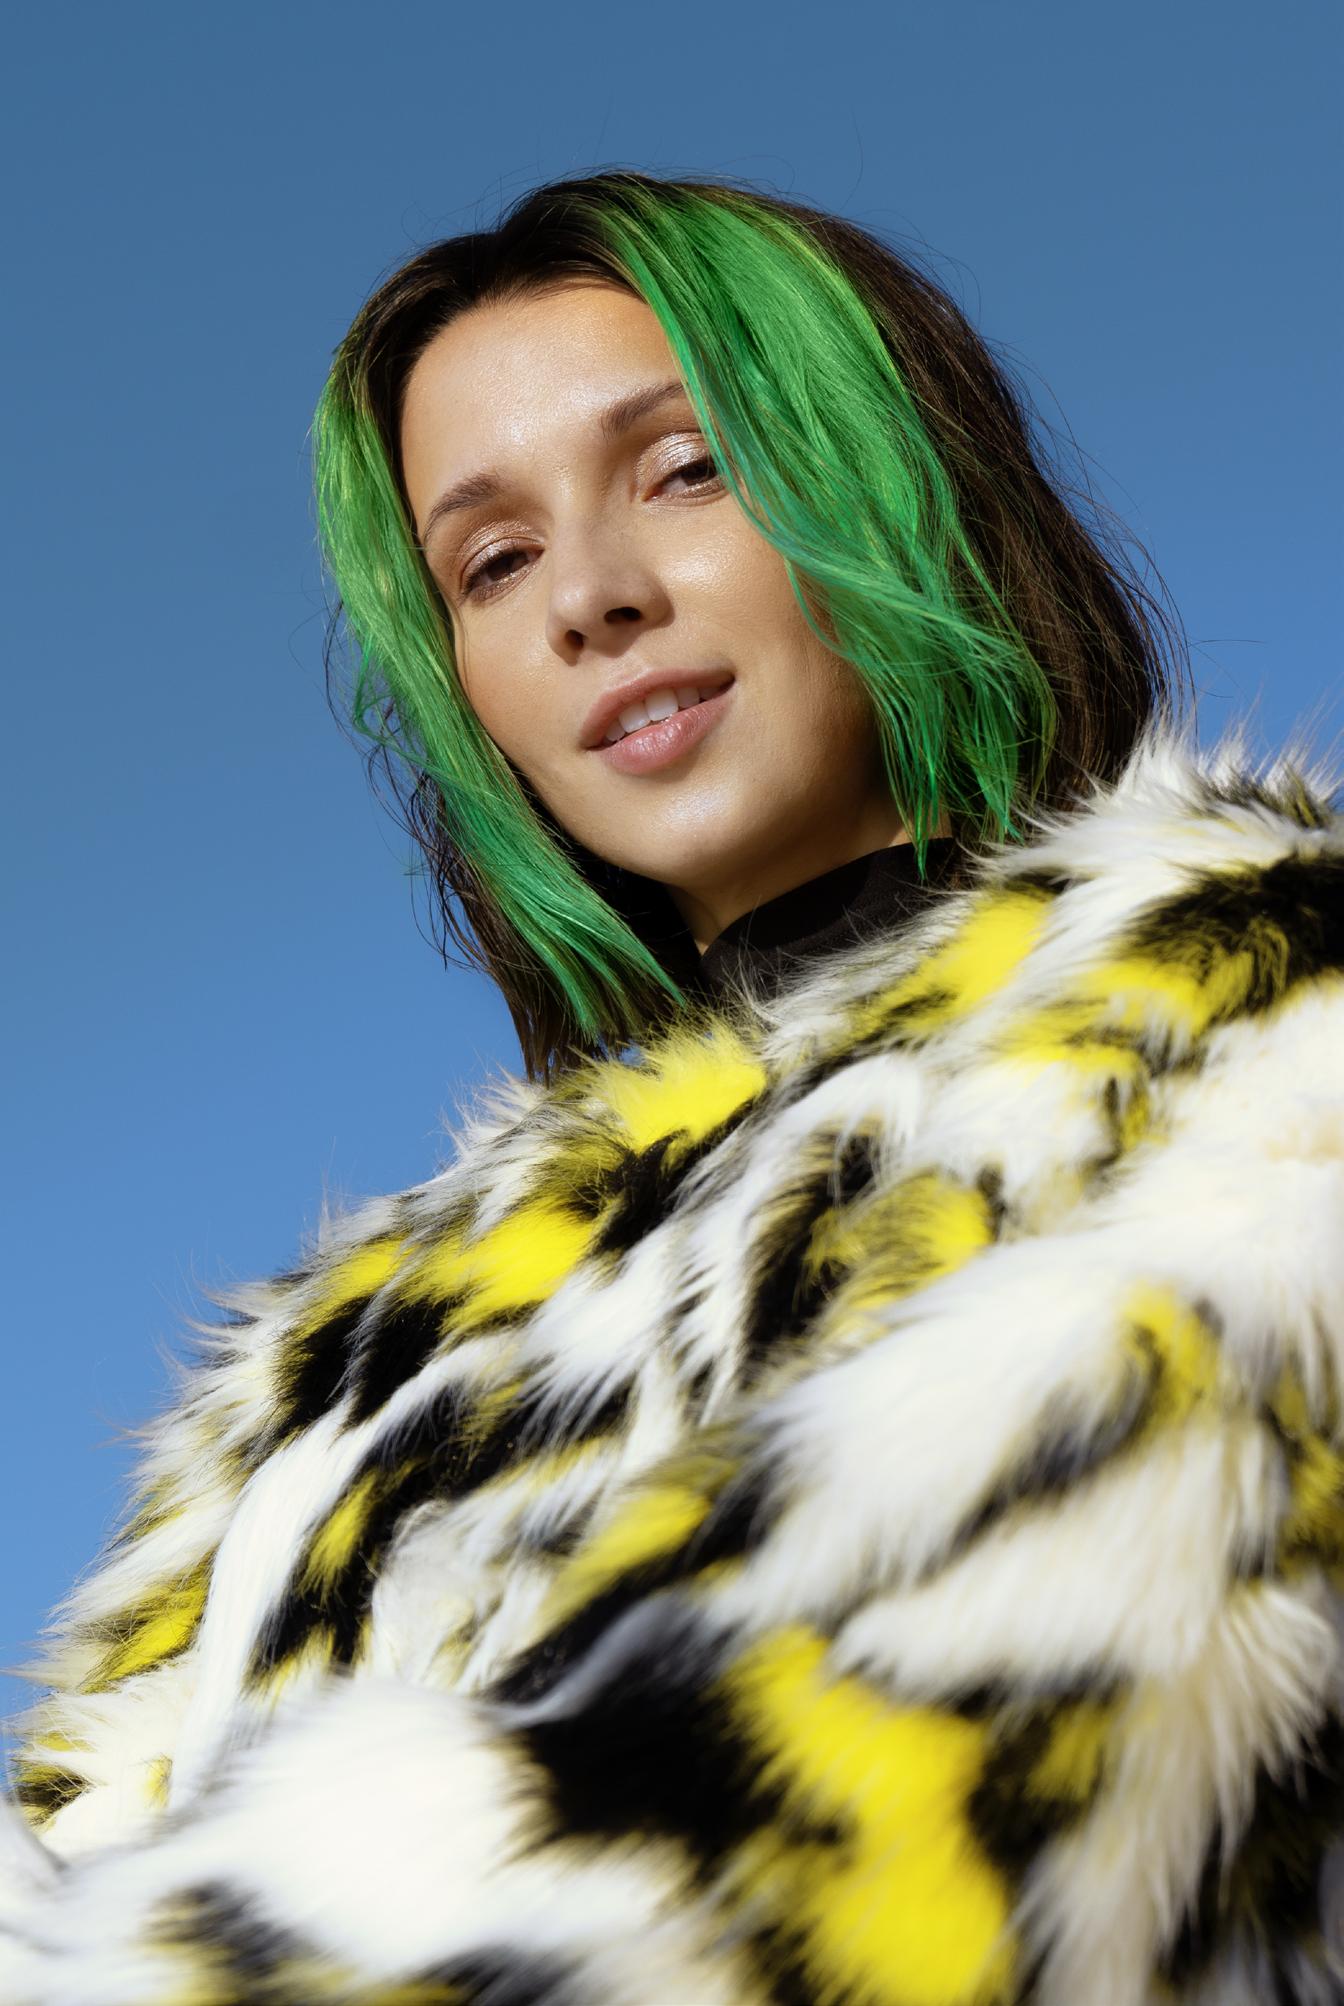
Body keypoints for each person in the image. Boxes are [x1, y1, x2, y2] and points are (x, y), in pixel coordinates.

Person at [2, 170, 1340, 2004]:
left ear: (891, 476)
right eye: (492, 562)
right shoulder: (337, 1377)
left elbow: (892, 1829)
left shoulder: (1258, 1032)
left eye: (687, 469)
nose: (592, 597)